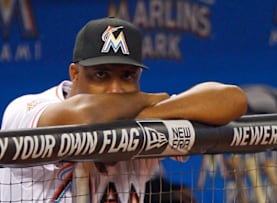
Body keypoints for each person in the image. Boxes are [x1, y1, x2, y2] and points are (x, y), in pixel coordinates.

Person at [0, 17, 247, 203]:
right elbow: (84, 117)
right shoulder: (25, 109)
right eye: (101, 74)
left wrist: (148, 115)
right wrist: (147, 103)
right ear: (74, 74)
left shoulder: (142, 116)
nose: (116, 89)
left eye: (127, 76)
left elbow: (232, 99)